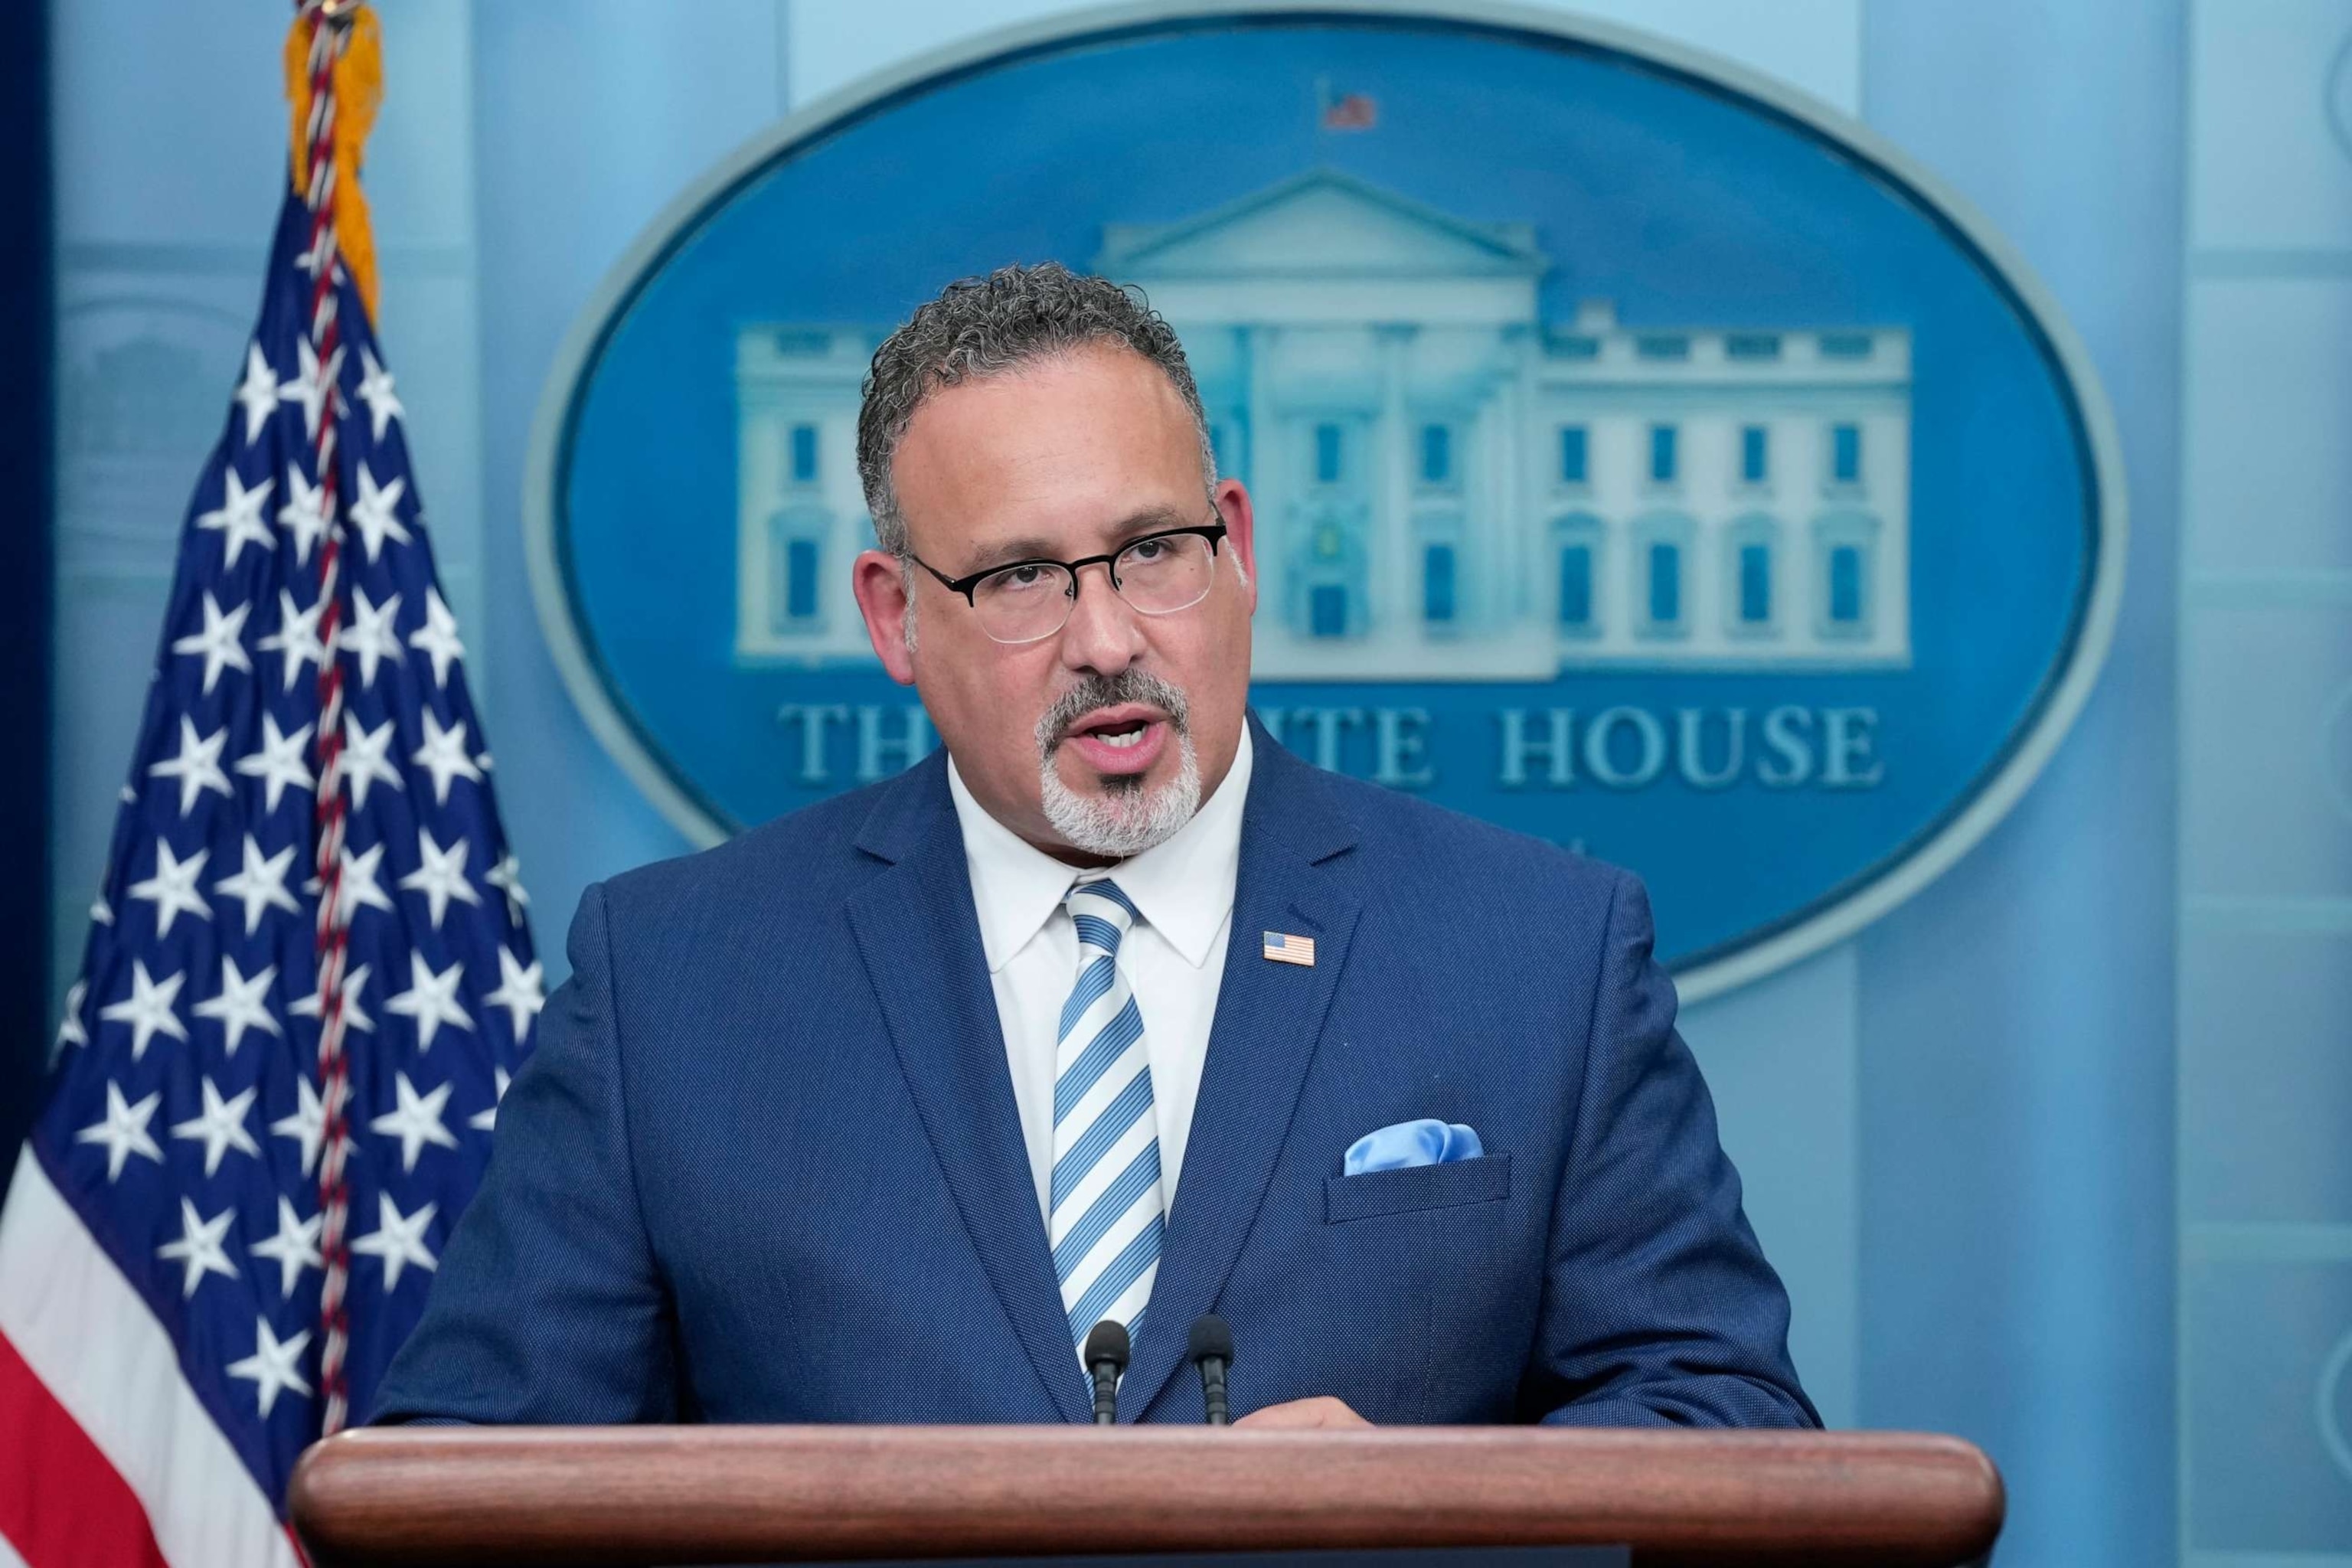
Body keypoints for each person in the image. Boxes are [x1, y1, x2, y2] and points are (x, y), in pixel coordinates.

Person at [373, 263, 1816, 1429]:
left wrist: (1423, 1514)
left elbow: (1726, 1414)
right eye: (1019, 578)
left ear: (1235, 547)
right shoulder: (673, 987)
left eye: (1152, 551)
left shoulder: (1540, 955)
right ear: (892, 616)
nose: (1111, 638)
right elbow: (468, 1485)